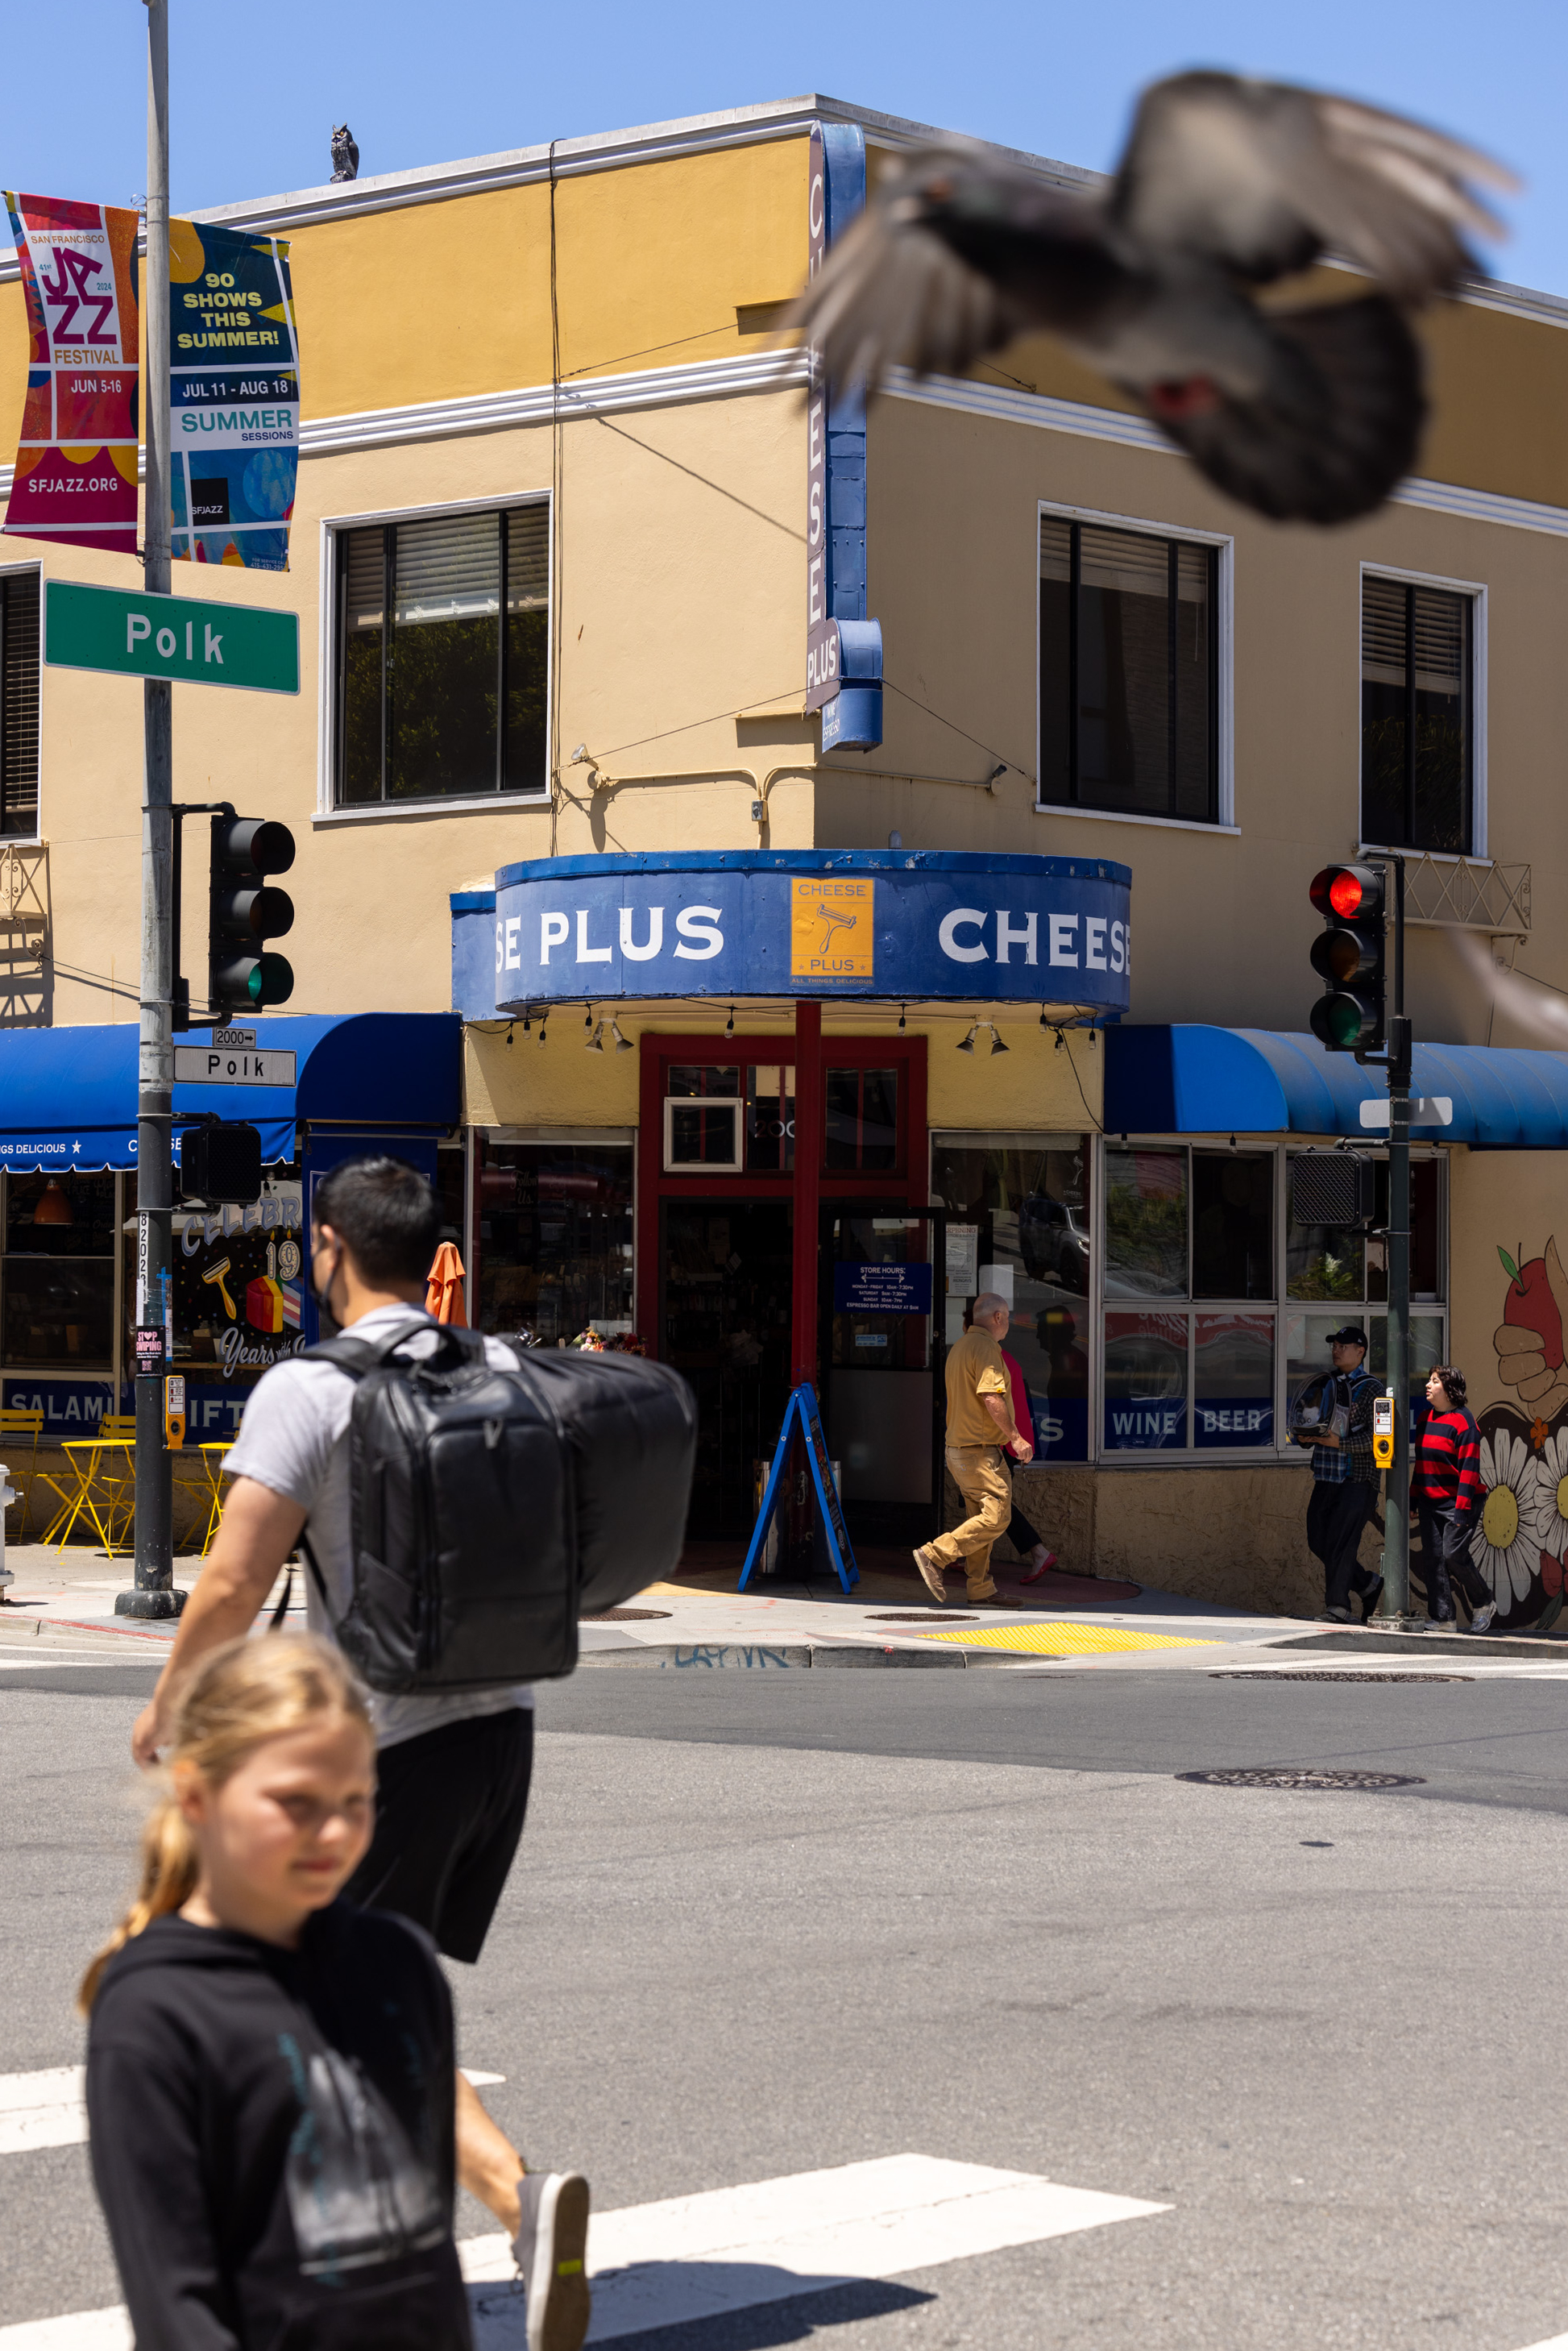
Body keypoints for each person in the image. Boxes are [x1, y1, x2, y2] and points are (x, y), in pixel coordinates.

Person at [131, 1156, 587, 2346]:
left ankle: (514, 2201)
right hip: (501, 1733)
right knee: (373, 1991)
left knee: (337, 2005)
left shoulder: (310, 1386)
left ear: (324, 1246)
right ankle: (395, 2240)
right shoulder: (493, 1363)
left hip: (384, 1749)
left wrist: (172, 1703)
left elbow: (233, 1578)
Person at [85, 1635, 480, 2350]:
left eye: (357, 1799)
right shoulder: (156, 2010)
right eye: (295, 1802)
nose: (333, 1830)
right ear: (198, 1794)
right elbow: (175, 2301)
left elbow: (431, 2241)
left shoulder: (401, 1963)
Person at [914, 1290, 1031, 1605]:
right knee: (997, 1517)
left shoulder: (961, 1346)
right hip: (979, 1452)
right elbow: (991, 1396)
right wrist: (1016, 1438)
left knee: (981, 1518)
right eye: (1006, 1318)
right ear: (997, 1318)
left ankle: (980, 1589)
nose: (1008, 1325)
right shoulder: (987, 1348)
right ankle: (934, 1554)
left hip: (960, 1450)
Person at [960, 1302, 1057, 1582]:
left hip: (998, 1443)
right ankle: (969, 1558)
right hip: (1004, 1441)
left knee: (995, 1504)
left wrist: (1012, 1440)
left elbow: (993, 1402)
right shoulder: (1002, 1357)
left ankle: (1037, 1551)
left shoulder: (990, 1358)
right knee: (983, 1501)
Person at [1294, 1323, 1384, 1625]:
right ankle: (1368, 1584)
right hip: (1326, 1476)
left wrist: (1340, 1443)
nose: (1336, 1349)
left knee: (1342, 1543)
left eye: (1343, 1346)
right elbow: (1309, 1420)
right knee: (1319, 1540)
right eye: (1334, 1345)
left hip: (1356, 1479)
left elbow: (1378, 1439)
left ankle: (1338, 1607)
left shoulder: (1373, 1388)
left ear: (1360, 1352)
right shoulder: (1326, 1383)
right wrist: (1304, 1437)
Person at [1414, 1364, 1497, 1633]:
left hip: (1461, 1501)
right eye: (1429, 1380)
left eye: (1435, 1381)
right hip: (1430, 1500)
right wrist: (1415, 1497)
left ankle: (1484, 1602)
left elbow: (1470, 1470)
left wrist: (1461, 1510)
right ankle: (1444, 1619)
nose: (1428, 1384)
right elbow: (1422, 1463)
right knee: (1433, 1558)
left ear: (1450, 1389)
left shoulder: (1464, 1422)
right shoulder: (1425, 1418)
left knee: (1453, 1554)